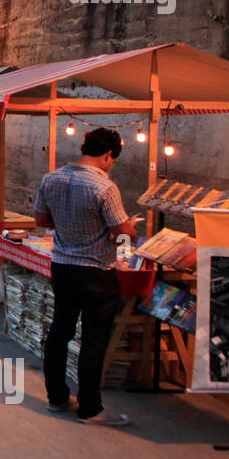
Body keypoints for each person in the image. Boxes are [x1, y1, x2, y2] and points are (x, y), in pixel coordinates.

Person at [34, 127, 138, 427]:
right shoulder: (105, 188)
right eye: (112, 160)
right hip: (96, 271)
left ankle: (57, 398)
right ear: (108, 155)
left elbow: (41, 220)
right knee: (93, 340)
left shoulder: (50, 178)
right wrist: (130, 226)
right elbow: (121, 232)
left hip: (63, 267)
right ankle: (90, 408)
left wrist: (69, 226)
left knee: (60, 332)